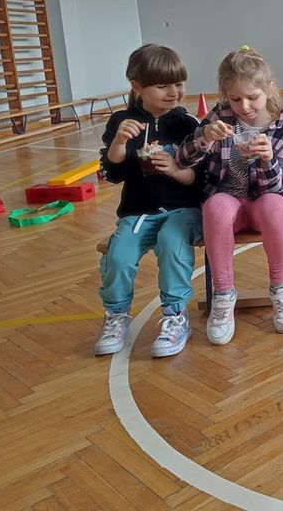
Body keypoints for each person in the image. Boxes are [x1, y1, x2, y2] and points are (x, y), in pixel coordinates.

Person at [177, 46, 283, 344]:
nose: (243, 106)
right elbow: (182, 159)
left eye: (252, 97)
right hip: (227, 196)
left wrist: (268, 159)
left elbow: (273, 188)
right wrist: (204, 137)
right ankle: (223, 293)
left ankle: (281, 288)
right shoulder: (220, 116)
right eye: (235, 99)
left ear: (269, 89)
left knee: (274, 207)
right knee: (215, 208)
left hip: (263, 200)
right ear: (225, 96)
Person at [94, 44, 202, 357]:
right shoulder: (121, 121)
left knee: (172, 244)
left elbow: (201, 179)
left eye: (178, 83)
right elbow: (112, 173)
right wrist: (119, 142)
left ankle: (175, 316)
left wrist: (176, 170)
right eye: (163, 85)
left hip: (182, 210)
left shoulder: (188, 124)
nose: (174, 92)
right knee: (118, 254)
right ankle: (116, 315)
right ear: (137, 86)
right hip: (137, 211)